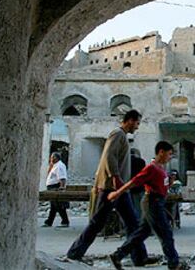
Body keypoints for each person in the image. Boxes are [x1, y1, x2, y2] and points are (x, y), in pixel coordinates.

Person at [67, 110, 156, 267]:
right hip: (111, 188)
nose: (137, 127)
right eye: (137, 123)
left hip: (120, 189)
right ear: (129, 121)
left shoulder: (122, 136)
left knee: (133, 223)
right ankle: (74, 253)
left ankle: (140, 257)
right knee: (98, 222)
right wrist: (115, 177)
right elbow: (109, 156)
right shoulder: (118, 134)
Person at [107, 141, 183, 270]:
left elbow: (161, 187)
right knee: (165, 233)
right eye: (169, 154)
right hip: (152, 202)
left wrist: (169, 183)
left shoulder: (161, 168)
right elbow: (134, 181)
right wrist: (118, 193)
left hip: (157, 201)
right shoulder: (151, 168)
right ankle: (174, 263)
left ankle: (118, 255)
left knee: (141, 233)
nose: (170, 157)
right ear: (161, 152)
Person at [43, 152, 70, 227]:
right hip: (52, 187)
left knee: (58, 205)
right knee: (53, 206)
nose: (50, 159)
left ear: (56, 158)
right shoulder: (55, 166)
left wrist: (61, 188)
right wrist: (51, 165)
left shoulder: (59, 166)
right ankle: (49, 221)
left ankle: (65, 221)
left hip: (55, 187)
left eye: (52, 157)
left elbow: (62, 178)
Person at [130, 148, 146, 218]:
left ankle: (138, 221)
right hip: (142, 186)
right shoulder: (141, 161)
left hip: (132, 187)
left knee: (135, 207)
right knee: (142, 206)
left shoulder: (127, 162)